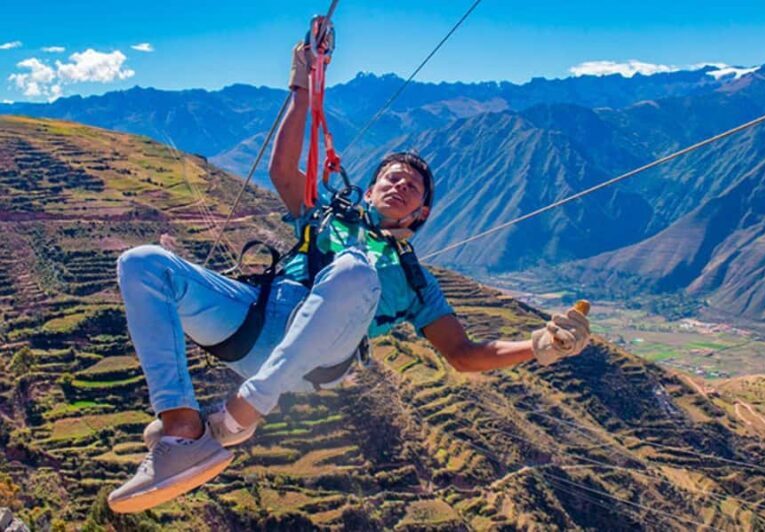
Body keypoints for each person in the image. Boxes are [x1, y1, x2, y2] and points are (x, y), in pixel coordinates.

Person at [107, 35, 591, 514]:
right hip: (255, 325)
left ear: (420, 213)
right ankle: (182, 430)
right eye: (392, 177)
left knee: (355, 269)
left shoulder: (416, 282)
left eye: (414, 185)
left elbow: (463, 355)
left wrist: (540, 346)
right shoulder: (324, 215)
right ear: (371, 188)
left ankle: (240, 417)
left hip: (312, 362)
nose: (401, 183)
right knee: (143, 263)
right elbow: (282, 169)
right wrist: (302, 84)